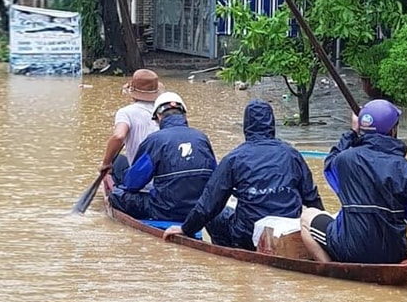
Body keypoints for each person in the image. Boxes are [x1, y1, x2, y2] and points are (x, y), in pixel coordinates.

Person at [163, 99, 324, 250]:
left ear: (246, 125)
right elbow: (311, 197)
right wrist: (324, 232)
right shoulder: (292, 154)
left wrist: (185, 229)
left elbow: (209, 204)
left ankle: (227, 254)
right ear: (272, 124)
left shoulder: (234, 158)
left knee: (216, 216)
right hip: (287, 231)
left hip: (247, 235)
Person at [300, 99, 407, 264]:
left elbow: (330, 164)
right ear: (393, 130)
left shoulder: (344, 160)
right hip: (393, 252)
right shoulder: (404, 168)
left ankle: (329, 267)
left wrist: (352, 133)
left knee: (306, 217)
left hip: (350, 248)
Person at [109, 92, 217, 222]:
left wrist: (120, 186)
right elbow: (215, 177)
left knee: (116, 195)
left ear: (159, 117)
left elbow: (133, 183)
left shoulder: (155, 140)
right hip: (200, 209)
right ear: (183, 114)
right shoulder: (201, 137)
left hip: (164, 210)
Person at [98, 69, 163, 185]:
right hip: (162, 181)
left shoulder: (126, 112)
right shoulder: (164, 112)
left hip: (140, 182)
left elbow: (118, 136)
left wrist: (106, 164)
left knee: (116, 161)